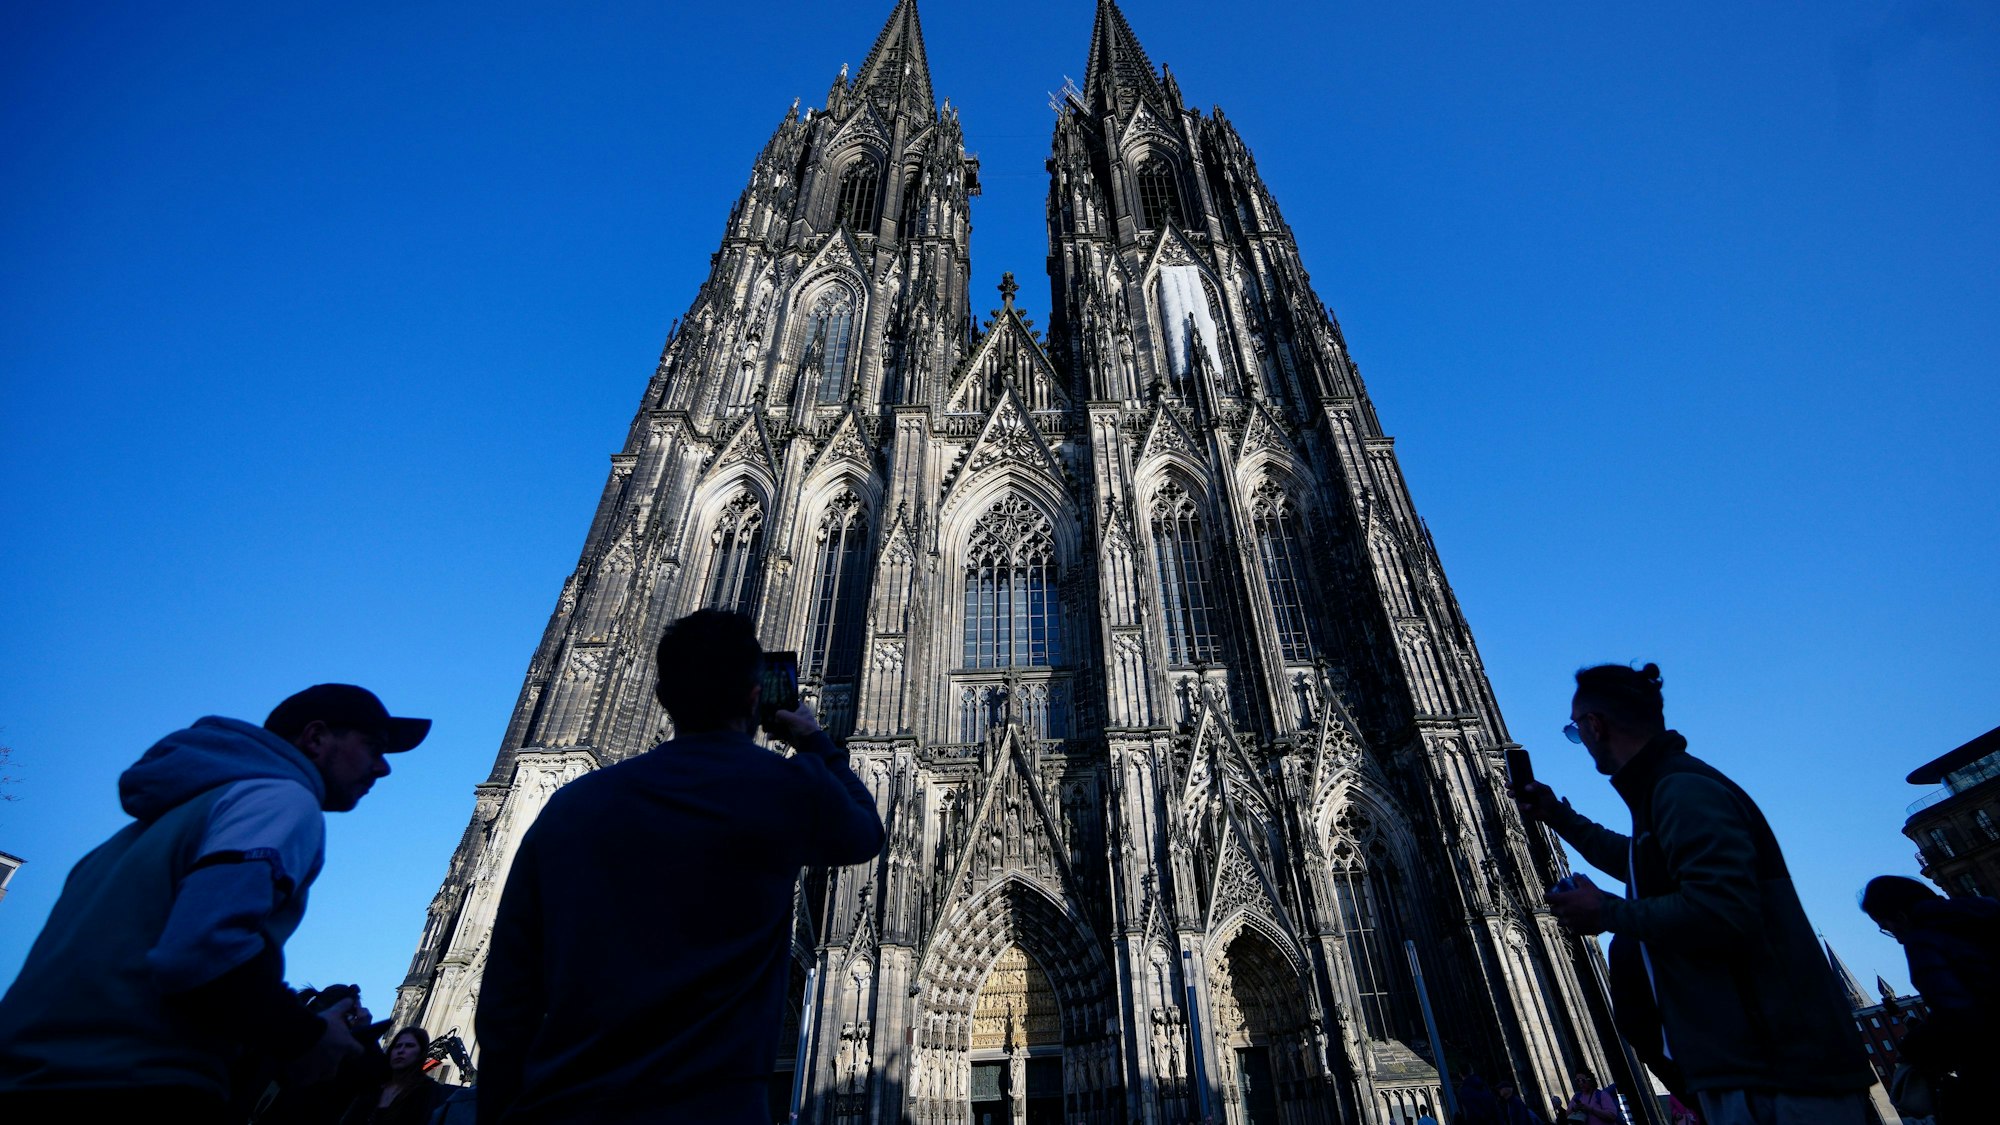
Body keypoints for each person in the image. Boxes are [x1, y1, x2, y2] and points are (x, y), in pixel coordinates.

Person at [476, 610, 885, 1124]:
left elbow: (506, 997)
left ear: (662, 697)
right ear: (755, 697)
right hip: (711, 1106)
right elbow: (867, 832)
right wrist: (812, 740)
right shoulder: (784, 788)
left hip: (572, 1104)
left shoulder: (569, 807)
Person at [0, 684, 428, 1119]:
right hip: (133, 1082)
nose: (383, 767)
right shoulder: (282, 800)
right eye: (372, 747)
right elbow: (202, 950)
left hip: (31, 1072)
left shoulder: (155, 825)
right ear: (315, 738)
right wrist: (307, 1036)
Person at [1512, 663, 1875, 1125]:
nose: (1579, 739)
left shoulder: (1682, 791)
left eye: (1575, 730)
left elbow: (1723, 910)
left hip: (1777, 1071)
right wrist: (1559, 817)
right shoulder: (1666, 789)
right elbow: (1640, 860)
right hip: (1753, 1066)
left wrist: (1608, 912)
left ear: (1595, 725)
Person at [1860, 874, 2000, 1123]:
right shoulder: (1988, 911)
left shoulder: (1923, 940)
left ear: (1901, 917)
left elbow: (1956, 1013)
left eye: (1888, 928)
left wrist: (1914, 1046)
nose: (1898, 938)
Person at [338, 1027, 451, 1125]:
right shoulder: (372, 1087)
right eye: (397, 1046)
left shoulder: (428, 1091)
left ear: (421, 1053)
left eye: (409, 1046)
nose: (401, 1050)